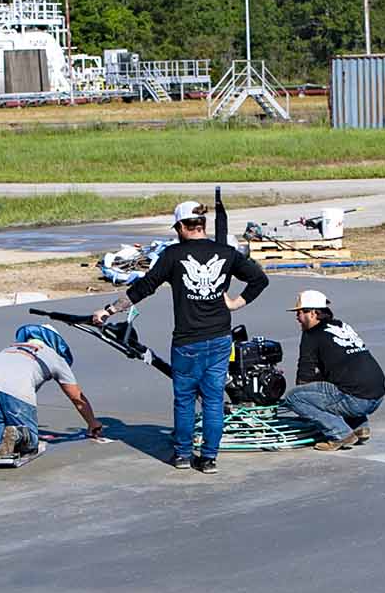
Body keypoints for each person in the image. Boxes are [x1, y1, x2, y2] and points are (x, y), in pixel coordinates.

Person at [98, 199, 267, 473]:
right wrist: (236, 302)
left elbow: (144, 287)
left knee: (185, 399)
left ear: (180, 226)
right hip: (220, 338)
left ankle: (183, 455)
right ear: (202, 224)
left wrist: (109, 310)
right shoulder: (226, 252)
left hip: (188, 341)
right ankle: (209, 458)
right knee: (213, 400)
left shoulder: (173, 255)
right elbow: (260, 279)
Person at [0, 321, 100, 468]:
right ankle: (18, 434)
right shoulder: (55, 357)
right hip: (16, 387)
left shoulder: (11, 348)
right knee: (31, 443)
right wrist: (92, 423)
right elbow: (76, 397)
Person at [281, 285, 385, 448]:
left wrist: (304, 403)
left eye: (300, 312)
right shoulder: (341, 325)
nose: (297, 317)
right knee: (340, 384)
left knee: (294, 398)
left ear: (313, 313)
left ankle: (340, 435)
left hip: (356, 400)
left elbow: (305, 375)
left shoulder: (312, 334)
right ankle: (360, 428)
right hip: (376, 395)